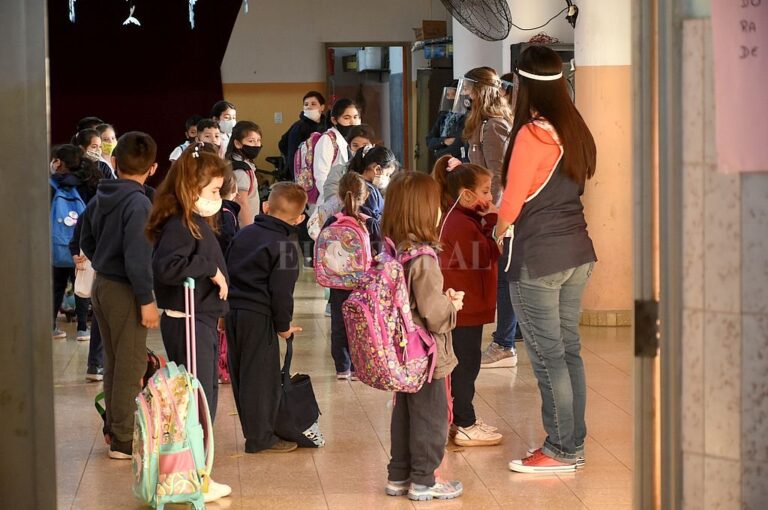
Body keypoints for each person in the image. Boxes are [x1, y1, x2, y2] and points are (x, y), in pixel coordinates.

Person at [495, 46, 597, 473]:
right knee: (568, 351)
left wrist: (495, 230)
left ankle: (559, 449)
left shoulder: (532, 134)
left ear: (523, 84)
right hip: (577, 252)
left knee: (548, 355)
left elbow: (512, 203)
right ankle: (573, 443)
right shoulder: (572, 127)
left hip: (539, 258)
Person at [381, 171, 464, 501]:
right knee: (431, 416)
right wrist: (452, 305)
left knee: (403, 414)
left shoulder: (392, 250)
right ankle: (425, 481)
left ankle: (398, 475)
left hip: (400, 353)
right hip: (426, 354)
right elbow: (432, 312)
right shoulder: (424, 257)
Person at [80, 132, 160, 460]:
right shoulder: (140, 203)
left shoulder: (100, 195)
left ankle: (115, 427)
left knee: (114, 360)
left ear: (114, 162)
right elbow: (138, 257)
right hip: (127, 290)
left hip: (102, 286)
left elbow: (84, 239)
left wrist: (103, 261)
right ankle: (125, 439)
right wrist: (147, 300)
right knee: (130, 364)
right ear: (153, 169)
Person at [225, 182, 308, 454]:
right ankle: (261, 438)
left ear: (265, 206)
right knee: (260, 379)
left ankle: (254, 431)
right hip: (259, 316)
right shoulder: (285, 247)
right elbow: (281, 293)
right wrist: (283, 326)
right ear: (299, 219)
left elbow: (227, 270)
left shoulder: (244, 234)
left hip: (233, 312)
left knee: (241, 374)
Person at [432, 155, 503, 447]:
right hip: (465, 304)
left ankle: (460, 417)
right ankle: (465, 422)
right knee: (466, 363)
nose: (490, 196)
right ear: (467, 194)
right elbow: (486, 255)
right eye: (485, 191)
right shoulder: (462, 222)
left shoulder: (461, 216)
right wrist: (494, 220)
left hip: (465, 302)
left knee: (463, 361)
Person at [458, 67, 520, 369]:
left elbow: (498, 176)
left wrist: (495, 217)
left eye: (469, 90)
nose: (465, 95)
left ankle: (505, 344)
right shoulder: (482, 125)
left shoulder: (493, 127)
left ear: (480, 91)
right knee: (501, 280)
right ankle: (505, 339)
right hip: (487, 212)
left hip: (499, 216)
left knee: (506, 281)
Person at [321, 172, 375, 379]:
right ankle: (359, 366)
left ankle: (342, 368)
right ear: (366, 194)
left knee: (339, 324)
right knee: (362, 323)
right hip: (364, 284)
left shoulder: (331, 222)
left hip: (337, 283)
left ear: (339, 195)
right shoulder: (369, 223)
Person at [50, 144, 95, 341]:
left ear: (58, 162)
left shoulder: (51, 184)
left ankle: (50, 326)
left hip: (57, 244)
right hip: (81, 242)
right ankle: (83, 328)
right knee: (81, 283)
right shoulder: (87, 183)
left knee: (57, 285)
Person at [347, 145, 398, 251]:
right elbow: (372, 222)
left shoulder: (357, 183)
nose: (387, 178)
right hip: (371, 245)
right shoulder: (368, 191)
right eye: (387, 174)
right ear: (377, 169)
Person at [312, 98, 361, 205]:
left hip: (351, 201)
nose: (353, 122)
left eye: (356, 117)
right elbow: (321, 177)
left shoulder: (354, 140)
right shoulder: (327, 140)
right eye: (346, 118)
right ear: (334, 120)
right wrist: (336, 200)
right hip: (332, 201)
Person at [322, 124, 376, 203]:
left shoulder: (380, 171)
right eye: (355, 145)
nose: (360, 150)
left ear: (373, 146)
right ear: (349, 147)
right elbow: (330, 201)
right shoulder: (338, 171)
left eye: (365, 146)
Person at [279, 90, 328, 175]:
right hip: (304, 174)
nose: (309, 107)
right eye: (306, 104)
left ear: (322, 107)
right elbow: (292, 154)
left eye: (313, 104)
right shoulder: (298, 127)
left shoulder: (327, 126)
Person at [225, 120, 263, 226]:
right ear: (237, 143)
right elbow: (242, 202)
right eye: (251, 141)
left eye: (258, 140)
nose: (256, 145)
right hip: (243, 227)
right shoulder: (240, 170)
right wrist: (249, 230)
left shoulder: (242, 164)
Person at [426, 82, 466, 162]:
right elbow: (429, 141)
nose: (449, 98)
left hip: (458, 161)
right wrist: (443, 141)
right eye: (447, 95)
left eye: (453, 94)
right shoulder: (443, 116)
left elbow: (457, 146)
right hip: (442, 161)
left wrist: (438, 153)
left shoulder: (466, 117)